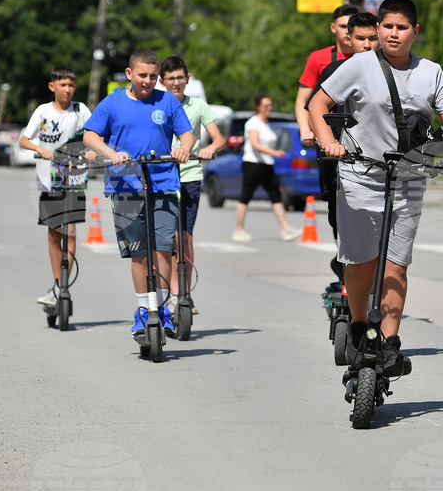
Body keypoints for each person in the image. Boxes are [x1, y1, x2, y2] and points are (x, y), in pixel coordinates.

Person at [308, 0, 443, 376]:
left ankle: (390, 343)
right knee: (361, 263)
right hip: (360, 175)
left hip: (409, 177)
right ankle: (360, 326)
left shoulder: (431, 72)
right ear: (378, 29)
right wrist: (328, 141)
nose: (394, 34)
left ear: (416, 31)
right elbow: (317, 104)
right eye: (388, 27)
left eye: (402, 28)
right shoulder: (360, 65)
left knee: (396, 267)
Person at [83, 49, 195, 338]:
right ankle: (144, 310)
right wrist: (112, 153)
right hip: (125, 185)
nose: (148, 81)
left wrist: (184, 147)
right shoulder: (113, 102)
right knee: (139, 253)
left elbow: (187, 134)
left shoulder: (167, 100)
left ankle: (163, 309)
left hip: (163, 182)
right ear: (130, 74)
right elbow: (90, 136)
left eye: (153, 76)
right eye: (142, 75)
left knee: (162, 248)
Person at [307, 11, 380, 281]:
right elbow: (313, 107)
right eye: (361, 38)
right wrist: (324, 140)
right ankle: (344, 263)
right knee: (337, 212)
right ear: (348, 39)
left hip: (373, 158)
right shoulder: (335, 70)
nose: (367, 44)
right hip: (336, 155)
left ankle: (368, 270)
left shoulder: (389, 72)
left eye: (373, 38)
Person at [19, 64, 94, 306]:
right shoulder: (42, 112)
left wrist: (92, 150)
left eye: (71, 85)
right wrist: (39, 148)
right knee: (54, 234)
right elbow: (23, 140)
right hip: (48, 179)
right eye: (62, 84)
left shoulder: (80, 111)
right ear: (52, 86)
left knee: (70, 232)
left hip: (74, 178)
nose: (67, 89)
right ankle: (56, 284)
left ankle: (63, 286)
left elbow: (96, 135)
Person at [159, 56, 226, 317]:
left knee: (184, 236)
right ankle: (168, 292)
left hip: (189, 176)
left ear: (188, 79)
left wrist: (209, 148)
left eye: (180, 77)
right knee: (166, 238)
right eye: (171, 78)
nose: (176, 82)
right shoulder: (156, 105)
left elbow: (218, 139)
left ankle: (183, 293)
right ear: (162, 81)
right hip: (162, 177)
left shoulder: (198, 105)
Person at [232, 95, 301, 242]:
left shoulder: (265, 124)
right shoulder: (253, 123)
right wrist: (274, 152)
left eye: (270, 106)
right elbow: (255, 145)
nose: (269, 108)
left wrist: (272, 155)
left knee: (275, 195)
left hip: (266, 164)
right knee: (246, 195)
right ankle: (239, 230)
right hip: (253, 163)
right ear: (258, 107)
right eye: (266, 106)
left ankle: (285, 228)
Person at [295, 4, 361, 146]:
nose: (347, 31)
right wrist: (306, 130)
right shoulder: (318, 58)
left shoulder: (368, 58)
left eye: (350, 26)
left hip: (361, 132)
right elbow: (303, 100)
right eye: (343, 26)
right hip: (327, 134)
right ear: (333, 27)